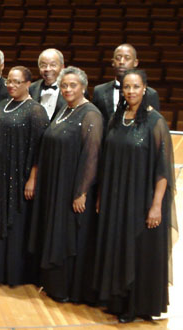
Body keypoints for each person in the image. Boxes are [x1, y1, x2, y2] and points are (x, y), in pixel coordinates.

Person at [93, 69, 176, 323]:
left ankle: (136, 305)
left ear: (145, 89)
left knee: (137, 249)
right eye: (126, 87)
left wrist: (156, 206)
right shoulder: (117, 118)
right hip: (115, 196)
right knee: (117, 245)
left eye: (135, 87)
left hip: (141, 199)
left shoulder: (156, 122)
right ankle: (117, 299)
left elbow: (163, 171)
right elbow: (107, 161)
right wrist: (100, 197)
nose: (130, 91)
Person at [28, 66, 103, 303]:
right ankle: (52, 283)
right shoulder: (64, 109)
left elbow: (92, 157)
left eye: (73, 85)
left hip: (73, 188)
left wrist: (81, 192)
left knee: (68, 236)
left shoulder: (91, 114)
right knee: (54, 231)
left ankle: (68, 288)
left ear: (84, 87)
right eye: (64, 85)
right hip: (55, 185)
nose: (68, 89)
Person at [0, 66, 49, 285]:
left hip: (18, 178)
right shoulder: (2, 104)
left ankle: (13, 273)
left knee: (14, 224)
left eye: (17, 81)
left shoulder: (35, 110)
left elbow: (40, 149)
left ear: (28, 84)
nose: (11, 85)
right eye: (9, 81)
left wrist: (33, 178)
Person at [93, 44, 160, 124]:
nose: (121, 62)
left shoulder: (150, 94)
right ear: (113, 62)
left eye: (127, 58)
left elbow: (154, 123)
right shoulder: (99, 91)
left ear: (135, 63)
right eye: (118, 58)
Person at [29, 48, 65, 121]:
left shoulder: (73, 90)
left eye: (53, 65)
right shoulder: (31, 88)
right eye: (43, 65)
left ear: (62, 67)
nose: (48, 69)